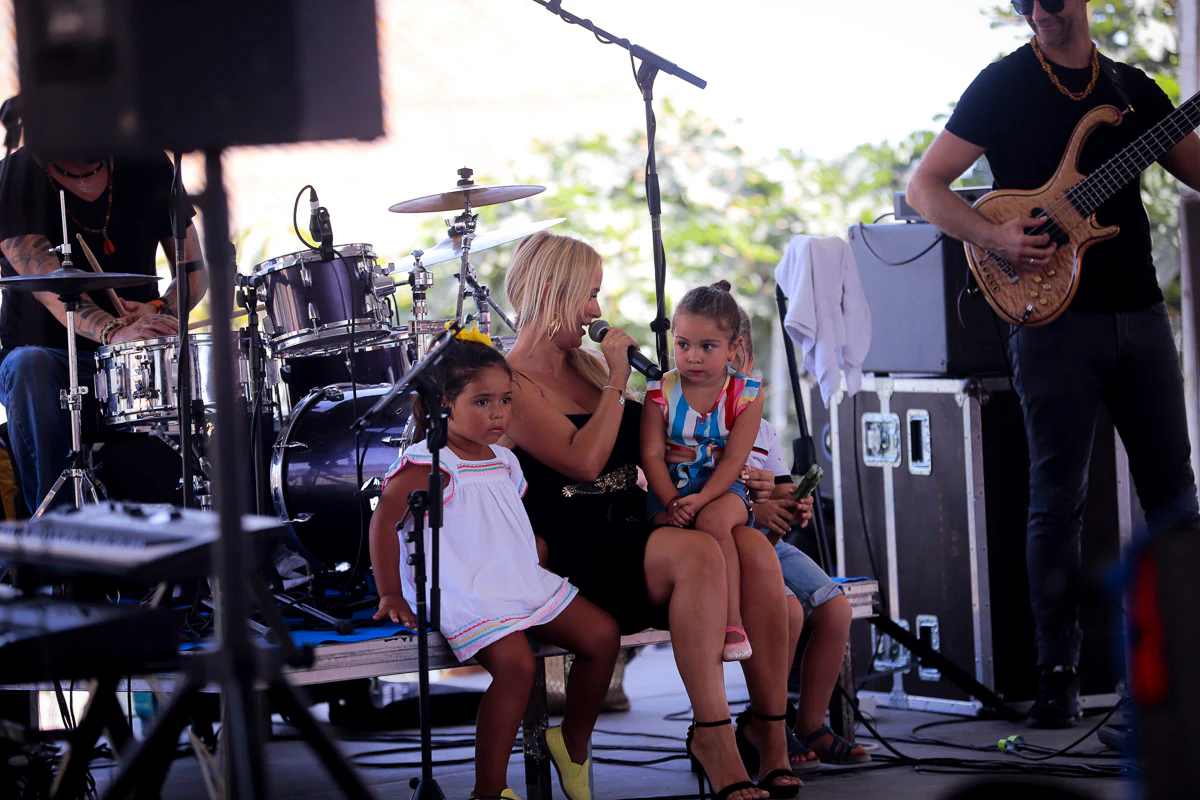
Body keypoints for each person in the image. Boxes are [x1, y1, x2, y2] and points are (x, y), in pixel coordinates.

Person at [905, 0, 1200, 728]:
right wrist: (995, 238)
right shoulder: (1003, 83)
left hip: (1139, 314)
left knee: (1175, 498)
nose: (1040, 10)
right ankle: (1058, 675)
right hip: (1049, 319)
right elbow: (925, 188)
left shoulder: (1132, 87)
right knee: (1056, 499)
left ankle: (1177, 669)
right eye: (1024, 0)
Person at [503, 230, 801, 800]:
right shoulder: (512, 382)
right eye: (588, 295)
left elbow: (665, 447)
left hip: (634, 533)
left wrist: (755, 481)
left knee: (756, 552)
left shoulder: (587, 370)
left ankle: (772, 735)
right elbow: (585, 463)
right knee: (698, 552)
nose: (596, 310)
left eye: (597, 294)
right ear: (549, 292)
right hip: (572, 551)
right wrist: (619, 377)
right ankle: (713, 736)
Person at [369, 333, 620, 800]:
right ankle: (490, 790)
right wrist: (391, 593)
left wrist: (534, 553)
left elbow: (503, 520)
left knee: (603, 636)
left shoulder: (503, 459)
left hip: (512, 576)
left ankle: (570, 741)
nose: (499, 413)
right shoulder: (427, 465)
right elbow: (383, 524)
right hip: (464, 584)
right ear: (443, 404)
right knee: (516, 667)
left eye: (504, 400)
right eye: (482, 402)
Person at [0, 147, 207, 513]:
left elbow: (194, 270)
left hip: (135, 355)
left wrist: (157, 309)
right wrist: (112, 331)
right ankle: (59, 532)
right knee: (28, 365)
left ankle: (200, 519)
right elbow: (48, 287)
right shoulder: (15, 175)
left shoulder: (150, 163)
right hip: (53, 357)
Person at [729, 309, 868, 766]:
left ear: (747, 361)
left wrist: (795, 505)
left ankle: (810, 724)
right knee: (784, 613)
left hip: (771, 542)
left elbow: (783, 487)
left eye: (736, 363)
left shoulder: (763, 429)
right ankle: (764, 719)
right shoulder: (694, 425)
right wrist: (759, 509)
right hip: (732, 545)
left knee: (835, 607)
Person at [642, 281, 763, 663]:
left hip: (723, 489)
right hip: (670, 487)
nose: (692, 357)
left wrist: (702, 497)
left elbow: (732, 461)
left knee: (712, 521)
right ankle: (679, 616)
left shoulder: (747, 393)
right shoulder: (659, 390)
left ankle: (732, 621)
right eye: (683, 345)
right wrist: (672, 501)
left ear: (733, 348)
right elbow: (652, 455)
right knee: (665, 531)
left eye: (707, 347)